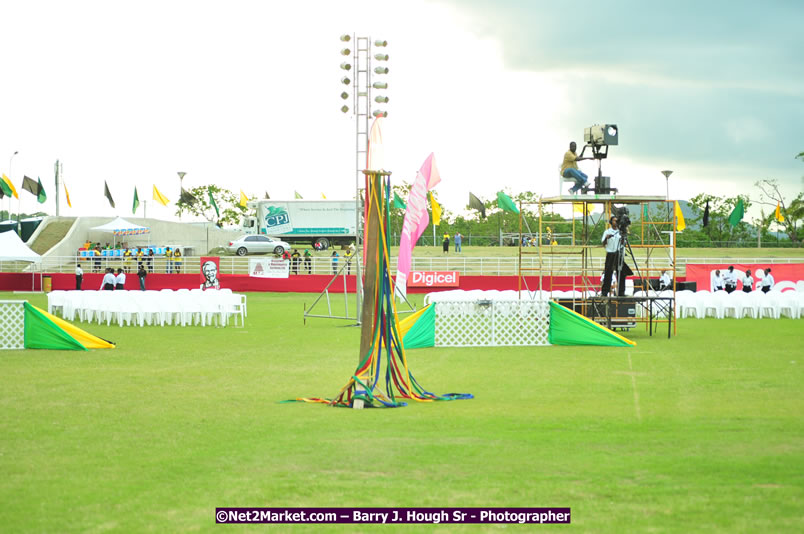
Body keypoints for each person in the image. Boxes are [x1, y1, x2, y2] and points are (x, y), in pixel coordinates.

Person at [601, 216, 629, 296]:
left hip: (619, 253)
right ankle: (604, 292)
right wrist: (607, 238)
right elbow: (603, 243)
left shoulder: (620, 232)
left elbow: (624, 243)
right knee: (608, 272)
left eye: (617, 221)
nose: (616, 222)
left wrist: (624, 236)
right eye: (614, 221)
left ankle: (621, 292)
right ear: (611, 222)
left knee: (621, 272)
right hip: (610, 253)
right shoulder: (607, 231)